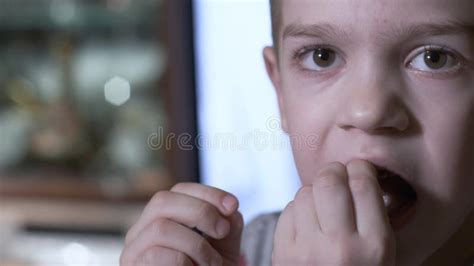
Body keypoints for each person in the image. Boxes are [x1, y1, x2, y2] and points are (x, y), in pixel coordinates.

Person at [120, 0, 474, 265]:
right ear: (280, 92)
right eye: (321, 57)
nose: (367, 112)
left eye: (434, 58)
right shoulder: (249, 250)